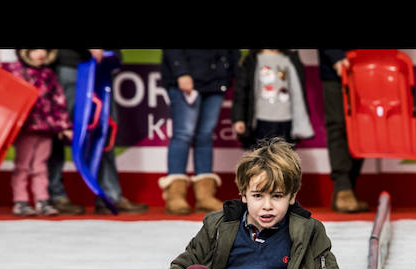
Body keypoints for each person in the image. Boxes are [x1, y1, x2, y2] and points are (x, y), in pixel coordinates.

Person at [162, 138, 348, 269]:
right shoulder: (219, 224)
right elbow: (183, 264)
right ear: (243, 195)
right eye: (258, 196)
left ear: (292, 197)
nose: (267, 206)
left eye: (277, 196)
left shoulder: (308, 231)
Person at [46, 49, 148, 215]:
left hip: (102, 66)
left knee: (103, 130)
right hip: (70, 66)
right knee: (60, 130)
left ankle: (109, 196)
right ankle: (56, 196)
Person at [158, 49, 241, 215]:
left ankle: (205, 196)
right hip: (187, 78)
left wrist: (231, 72)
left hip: (216, 81)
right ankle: (175, 195)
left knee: (205, 135)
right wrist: (181, 72)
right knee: (183, 134)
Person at [1, 50, 72, 217]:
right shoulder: (16, 71)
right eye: (35, 49)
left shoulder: (48, 74)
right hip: (26, 129)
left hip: (46, 129)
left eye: (44, 50)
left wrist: (63, 126)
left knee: (40, 166)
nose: (40, 53)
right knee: (23, 166)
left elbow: (58, 101)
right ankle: (21, 201)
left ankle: (42, 200)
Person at [318, 49, 368, 213]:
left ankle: (348, 188)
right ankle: (343, 187)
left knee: (365, 126)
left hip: (370, 68)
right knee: (338, 125)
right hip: (337, 68)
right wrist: (335, 56)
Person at [231, 49, 314, 149]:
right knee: (261, 158)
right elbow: (241, 92)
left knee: (285, 159)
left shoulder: (290, 59)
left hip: (286, 120)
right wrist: (239, 118)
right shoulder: (251, 60)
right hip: (260, 120)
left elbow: (298, 92)